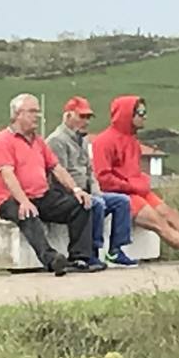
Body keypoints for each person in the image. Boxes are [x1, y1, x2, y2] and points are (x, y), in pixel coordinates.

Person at [0, 93, 104, 276]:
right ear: (17, 114)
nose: (36, 117)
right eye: (32, 112)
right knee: (28, 214)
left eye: (37, 112)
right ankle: (51, 259)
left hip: (40, 194)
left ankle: (80, 257)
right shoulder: (3, 140)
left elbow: (56, 167)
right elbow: (8, 175)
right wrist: (23, 201)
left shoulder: (38, 141)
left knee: (80, 205)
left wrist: (76, 190)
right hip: (7, 198)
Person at [92, 95, 179, 262]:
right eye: (140, 112)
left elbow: (134, 171)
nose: (145, 116)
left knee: (171, 214)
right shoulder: (104, 141)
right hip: (124, 194)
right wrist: (132, 186)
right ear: (127, 114)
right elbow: (104, 178)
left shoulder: (133, 142)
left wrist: (142, 182)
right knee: (159, 222)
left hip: (138, 191)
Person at [47, 96, 137, 269]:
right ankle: (93, 251)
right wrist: (79, 192)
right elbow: (59, 174)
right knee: (96, 204)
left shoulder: (83, 139)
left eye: (88, 117)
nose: (86, 121)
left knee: (121, 201)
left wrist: (96, 190)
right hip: (68, 193)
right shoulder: (56, 141)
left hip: (87, 190)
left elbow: (90, 170)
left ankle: (116, 249)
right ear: (68, 116)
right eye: (81, 117)